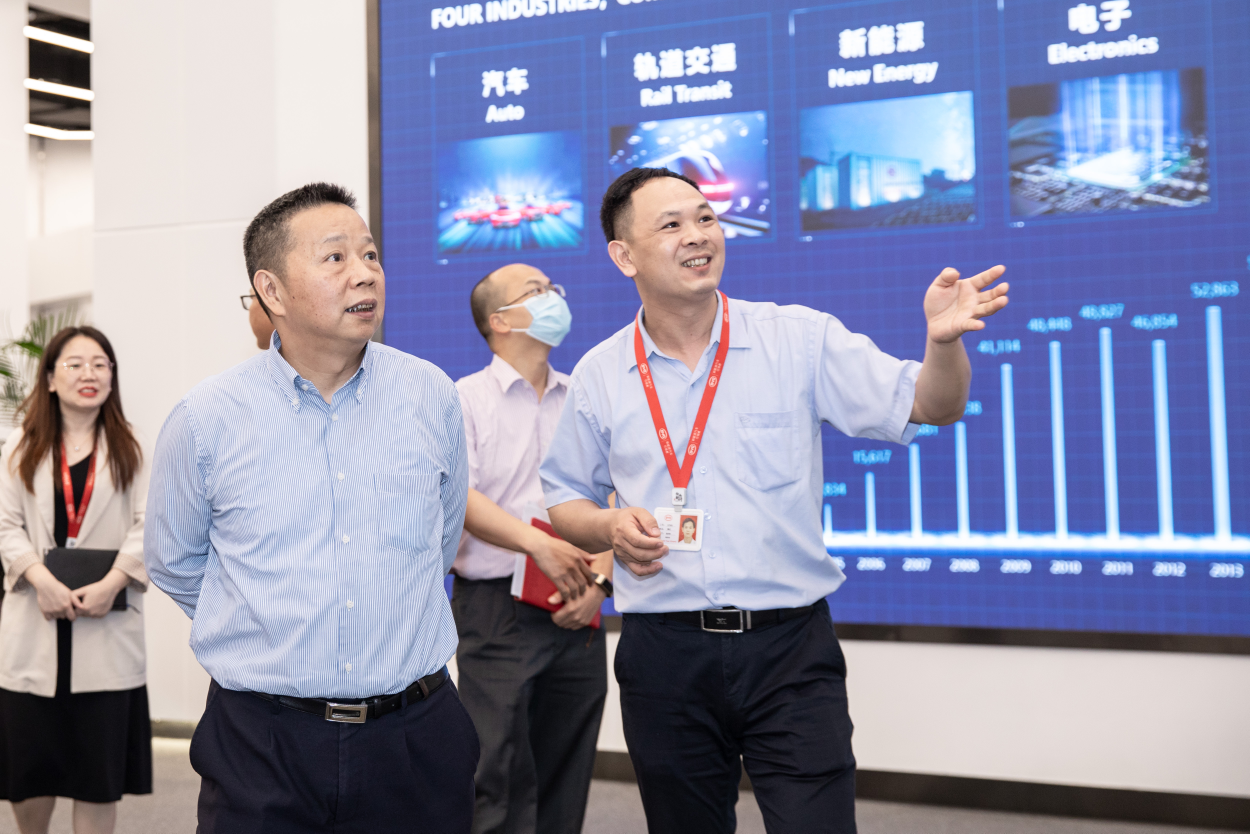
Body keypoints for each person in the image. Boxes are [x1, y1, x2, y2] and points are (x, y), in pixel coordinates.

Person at [539, 167, 1009, 833]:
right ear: (624, 256)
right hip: (664, 656)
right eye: (671, 225)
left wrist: (943, 344)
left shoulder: (798, 338)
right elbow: (565, 501)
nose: (698, 235)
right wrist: (609, 525)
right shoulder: (600, 374)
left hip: (789, 650)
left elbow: (934, 404)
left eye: (705, 217)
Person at [145, 183, 477, 833]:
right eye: (335, 258)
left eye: (371, 255)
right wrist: (266, 627)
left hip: (414, 737)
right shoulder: (206, 417)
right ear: (270, 290)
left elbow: (442, 538)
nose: (365, 273)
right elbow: (174, 561)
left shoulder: (429, 395)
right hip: (264, 744)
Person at [453, 263, 612, 834]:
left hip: (578, 604)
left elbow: (614, 492)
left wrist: (602, 582)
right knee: (495, 772)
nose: (553, 298)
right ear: (499, 321)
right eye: (536, 292)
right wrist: (537, 546)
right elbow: (459, 497)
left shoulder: (583, 396)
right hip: (497, 609)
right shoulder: (464, 399)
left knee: (566, 767)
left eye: (553, 290)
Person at [0, 326, 151, 834]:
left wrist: (113, 583)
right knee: (30, 774)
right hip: (35, 620)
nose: (90, 373)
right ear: (48, 379)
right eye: (75, 364)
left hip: (104, 622)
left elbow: (150, 526)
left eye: (100, 364)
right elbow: (5, 525)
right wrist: (39, 578)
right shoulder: (21, 446)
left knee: (96, 778)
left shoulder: (132, 446)